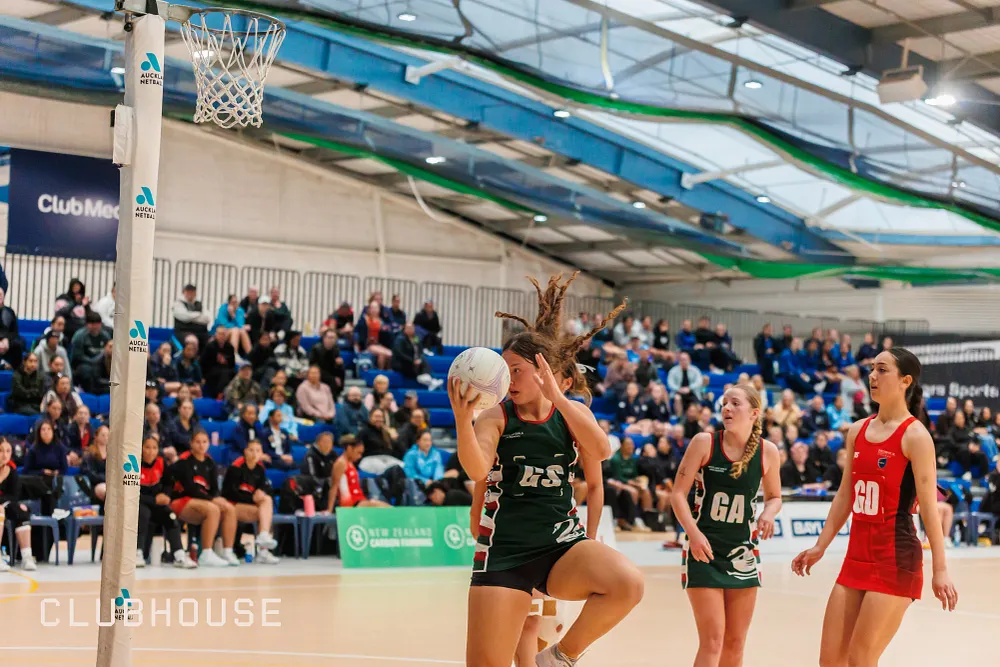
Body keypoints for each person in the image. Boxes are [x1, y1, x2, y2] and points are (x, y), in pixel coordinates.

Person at [451, 272, 642, 667]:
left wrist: (559, 397)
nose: (507, 379)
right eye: (504, 370)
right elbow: (476, 469)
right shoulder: (496, 417)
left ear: (542, 370)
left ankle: (559, 657)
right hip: (505, 551)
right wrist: (462, 419)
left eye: (516, 369)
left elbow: (602, 450)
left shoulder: (572, 413)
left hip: (561, 546)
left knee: (627, 583)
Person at [792, 348, 958, 666]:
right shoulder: (857, 430)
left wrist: (940, 570)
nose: (872, 376)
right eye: (871, 369)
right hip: (856, 555)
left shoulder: (916, 436)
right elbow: (845, 497)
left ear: (905, 381)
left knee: (861, 659)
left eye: (882, 370)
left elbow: (929, 509)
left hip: (895, 558)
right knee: (830, 661)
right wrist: (820, 546)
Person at [668, 383, 782, 667]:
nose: (726, 409)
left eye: (735, 403)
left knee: (735, 643)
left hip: (743, 552)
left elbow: (775, 497)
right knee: (713, 641)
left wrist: (769, 513)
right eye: (724, 404)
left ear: (754, 413)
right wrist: (693, 534)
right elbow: (678, 494)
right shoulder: (704, 443)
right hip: (704, 551)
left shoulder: (768, 452)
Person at [169, 430, 239, 567]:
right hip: (180, 500)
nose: (201, 445)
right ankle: (206, 553)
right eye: (198, 442)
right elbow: (190, 489)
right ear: (191, 443)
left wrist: (216, 498)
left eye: (204, 442)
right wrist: (212, 499)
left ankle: (228, 551)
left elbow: (214, 489)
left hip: (202, 501)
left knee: (229, 508)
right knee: (213, 509)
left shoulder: (210, 462)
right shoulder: (184, 461)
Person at [137, 434, 197, 568]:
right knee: (143, 514)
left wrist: (166, 495)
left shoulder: (161, 462)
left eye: (154, 448)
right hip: (140, 503)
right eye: (147, 447)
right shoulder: (134, 463)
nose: (151, 451)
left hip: (157, 504)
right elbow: (132, 492)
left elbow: (169, 483)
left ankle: (179, 555)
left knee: (170, 516)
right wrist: (154, 499)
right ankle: (137, 553)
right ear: (140, 448)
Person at [221, 440, 281, 564]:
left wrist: (261, 492)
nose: (254, 454)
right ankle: (263, 550)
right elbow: (228, 493)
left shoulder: (260, 468)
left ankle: (263, 538)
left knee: (267, 500)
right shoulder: (235, 467)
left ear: (262, 453)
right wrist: (252, 499)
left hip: (249, 506)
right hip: (232, 506)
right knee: (264, 514)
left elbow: (266, 488)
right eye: (251, 450)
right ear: (245, 451)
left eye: (258, 451)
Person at [325, 435, 391, 512]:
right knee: (380, 506)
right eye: (358, 453)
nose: (360, 456)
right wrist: (329, 510)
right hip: (350, 503)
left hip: (359, 500)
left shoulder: (350, 463)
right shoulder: (341, 463)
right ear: (349, 448)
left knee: (388, 507)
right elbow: (334, 487)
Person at [0, 438, 37, 570]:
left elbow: (14, 496)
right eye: (1, 451)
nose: (4, 455)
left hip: (5, 504)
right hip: (1, 507)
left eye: (8, 451)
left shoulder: (12, 472)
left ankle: (27, 557)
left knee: (22, 511)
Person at [172, 284, 212, 348]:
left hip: (202, 332)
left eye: (192, 292)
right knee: (192, 341)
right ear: (183, 292)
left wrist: (190, 316)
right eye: (188, 292)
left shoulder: (199, 304)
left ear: (195, 293)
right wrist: (199, 314)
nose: (190, 294)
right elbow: (184, 317)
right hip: (183, 332)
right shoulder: (178, 304)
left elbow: (207, 318)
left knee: (213, 341)